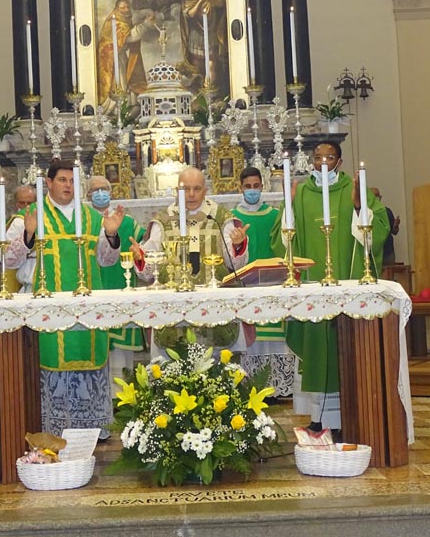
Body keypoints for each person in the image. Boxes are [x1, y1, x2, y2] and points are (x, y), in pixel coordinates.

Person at [4, 162, 128, 436]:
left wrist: (110, 234)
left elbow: (106, 261)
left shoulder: (92, 217)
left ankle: (93, 431)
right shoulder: (31, 216)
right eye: (62, 180)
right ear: (48, 183)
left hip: (87, 308)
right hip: (49, 310)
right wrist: (28, 235)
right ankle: (55, 430)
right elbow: (9, 260)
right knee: (52, 363)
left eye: (72, 181)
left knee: (89, 357)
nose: (68, 186)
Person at [286, 141, 389, 433]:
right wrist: (288, 207)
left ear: (339, 162)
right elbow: (283, 236)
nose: (323, 163)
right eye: (317, 157)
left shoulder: (354, 189)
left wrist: (358, 206)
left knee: (347, 350)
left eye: (329, 157)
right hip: (312, 286)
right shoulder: (301, 192)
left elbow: (379, 228)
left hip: (347, 281)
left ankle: (353, 413)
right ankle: (319, 416)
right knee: (317, 351)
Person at [134, 166, 249, 349]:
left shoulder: (220, 218)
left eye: (197, 188)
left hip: (214, 306)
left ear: (205, 190)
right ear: (177, 191)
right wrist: (140, 258)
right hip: (172, 308)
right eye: (186, 189)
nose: (191, 194)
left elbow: (236, 267)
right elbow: (147, 273)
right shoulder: (163, 221)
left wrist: (237, 246)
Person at [233, 167, 293, 397]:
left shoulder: (274, 215)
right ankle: (251, 386)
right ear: (240, 188)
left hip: (272, 282)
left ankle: (276, 388)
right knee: (252, 336)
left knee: (273, 336)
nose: (252, 191)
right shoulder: (232, 218)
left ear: (262, 186)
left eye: (256, 186)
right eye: (247, 186)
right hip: (245, 285)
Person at [86, 175, 146, 379]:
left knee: (121, 369)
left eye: (104, 189)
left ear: (111, 193)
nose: (100, 193)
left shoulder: (127, 222)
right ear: (88, 195)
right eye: (95, 190)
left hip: (119, 292)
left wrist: (139, 252)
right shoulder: (84, 221)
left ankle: (122, 396)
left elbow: (143, 249)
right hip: (92, 293)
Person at [371, 187, 401, 265]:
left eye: (377, 196)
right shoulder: (365, 213)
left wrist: (395, 226)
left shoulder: (387, 211)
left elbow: (394, 231)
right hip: (373, 252)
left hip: (388, 251)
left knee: (389, 271)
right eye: (374, 196)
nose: (376, 198)